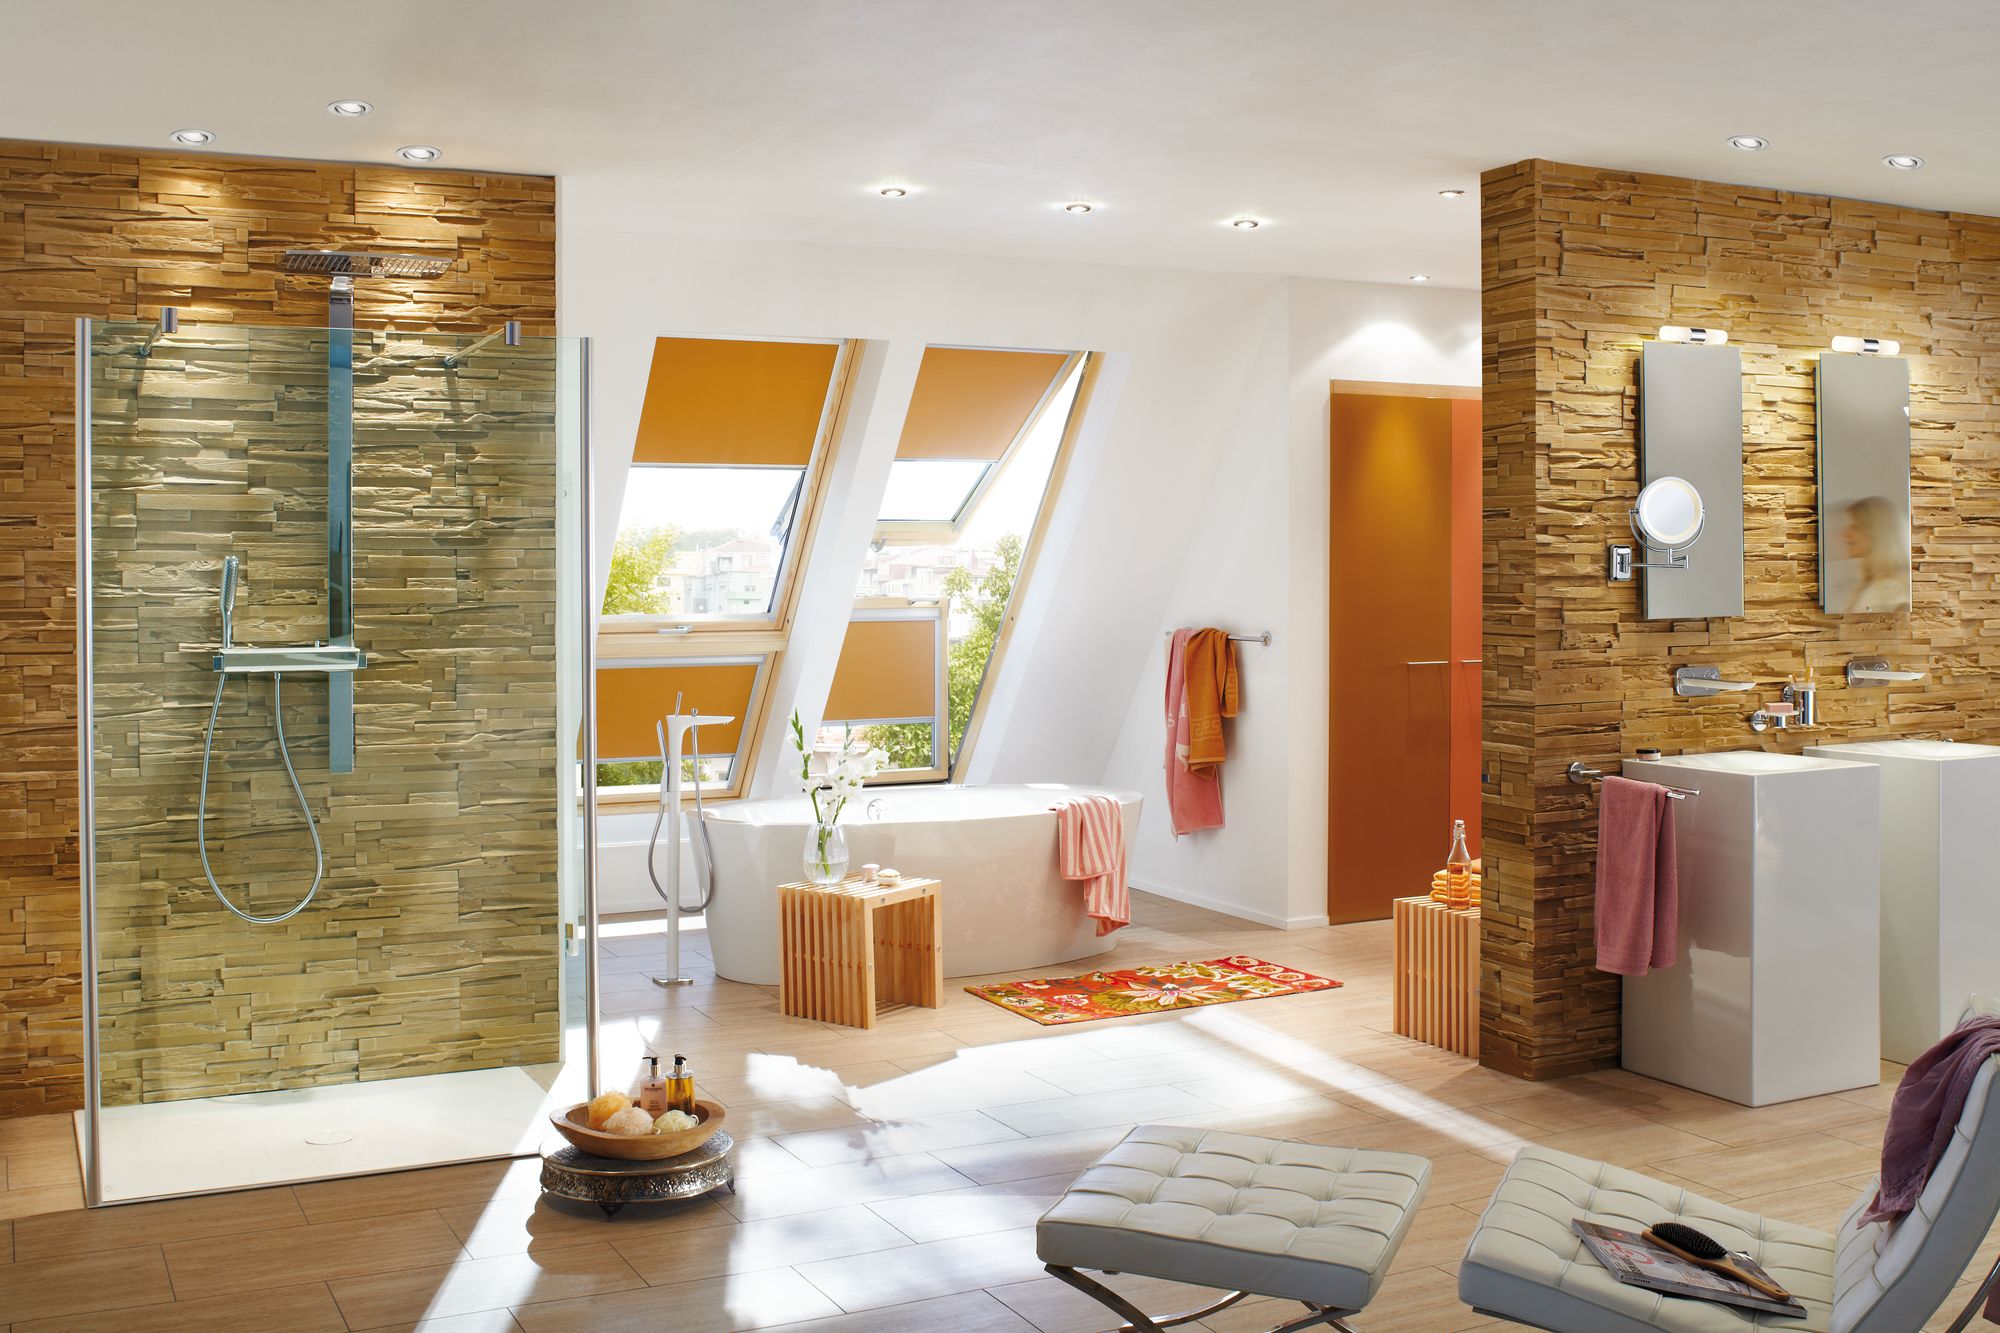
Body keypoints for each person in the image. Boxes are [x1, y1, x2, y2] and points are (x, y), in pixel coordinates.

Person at [1837, 495, 1910, 613]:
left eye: (1855, 526)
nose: (1846, 533)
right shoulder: (1872, 585)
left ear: (1876, 531)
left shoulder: (1891, 590)